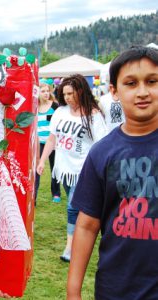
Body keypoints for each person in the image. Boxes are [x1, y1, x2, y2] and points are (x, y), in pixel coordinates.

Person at [67, 46, 158, 299]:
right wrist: (73, 291)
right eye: (131, 83)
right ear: (114, 91)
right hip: (116, 288)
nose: (142, 91)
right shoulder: (102, 152)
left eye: (152, 81)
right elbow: (86, 226)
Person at [37, 74, 108, 262]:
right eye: (64, 94)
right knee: (77, 206)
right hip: (64, 168)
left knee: (72, 207)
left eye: (70, 93)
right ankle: (86, 236)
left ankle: (70, 247)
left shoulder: (93, 115)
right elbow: (52, 138)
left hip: (84, 169)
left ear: (81, 91)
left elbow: (101, 144)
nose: (67, 97)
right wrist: (42, 160)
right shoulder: (60, 112)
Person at [35, 83, 61, 205]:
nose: (46, 93)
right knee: (37, 169)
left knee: (54, 168)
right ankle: (33, 196)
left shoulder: (55, 106)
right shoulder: (34, 107)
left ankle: (56, 193)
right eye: (43, 91)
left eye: (47, 91)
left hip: (53, 142)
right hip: (39, 143)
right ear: (38, 93)